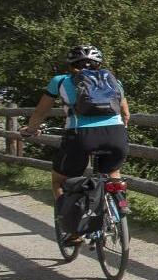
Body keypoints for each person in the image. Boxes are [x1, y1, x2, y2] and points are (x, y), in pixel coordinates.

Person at [19, 45, 131, 202]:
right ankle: (121, 206)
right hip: (116, 134)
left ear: (71, 65)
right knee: (113, 173)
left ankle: (68, 223)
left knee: (60, 181)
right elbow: (125, 114)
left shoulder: (60, 81)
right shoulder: (114, 82)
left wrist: (31, 129)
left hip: (80, 136)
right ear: (99, 64)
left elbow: (40, 112)